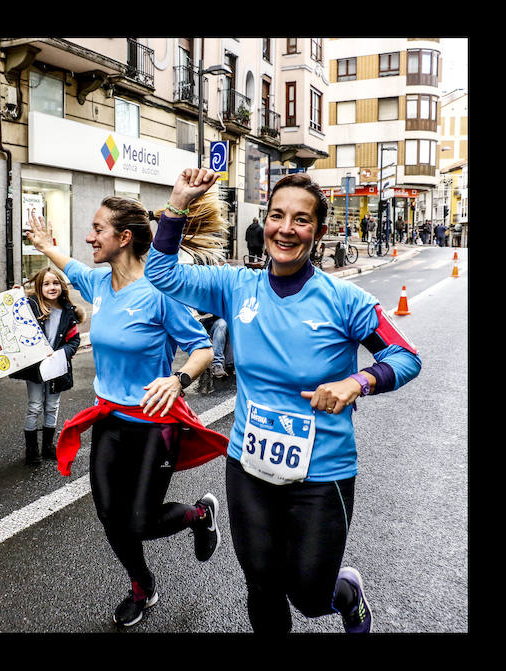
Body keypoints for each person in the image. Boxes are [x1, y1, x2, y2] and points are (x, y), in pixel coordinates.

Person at [145, 169, 422, 634]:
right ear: (266, 221)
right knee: (262, 584)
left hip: (323, 473)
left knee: (310, 596)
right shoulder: (236, 287)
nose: (286, 229)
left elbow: (405, 356)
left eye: (301, 219)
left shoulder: (344, 300)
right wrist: (177, 206)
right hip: (249, 466)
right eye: (276, 216)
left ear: (319, 231)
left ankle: (346, 592)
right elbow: (161, 272)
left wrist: (359, 382)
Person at [26, 195, 228, 628]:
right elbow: (71, 266)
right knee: (109, 516)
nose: (89, 237)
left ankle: (199, 515)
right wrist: (44, 246)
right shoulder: (100, 282)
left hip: (155, 424)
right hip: (110, 420)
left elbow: (202, 348)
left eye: (97, 229)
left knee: (139, 522)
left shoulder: (160, 292)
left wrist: (178, 380)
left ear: (124, 237)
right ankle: (142, 587)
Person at [9, 267, 86, 465]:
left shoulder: (69, 312)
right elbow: (13, 319)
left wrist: (62, 353)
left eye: (56, 283)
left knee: (52, 405)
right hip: (35, 368)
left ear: (62, 286)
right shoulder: (31, 307)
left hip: (57, 367)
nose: (52, 287)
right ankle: (32, 449)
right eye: (46, 284)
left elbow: (74, 341)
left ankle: (48, 446)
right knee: (34, 406)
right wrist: (16, 297)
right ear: (39, 287)